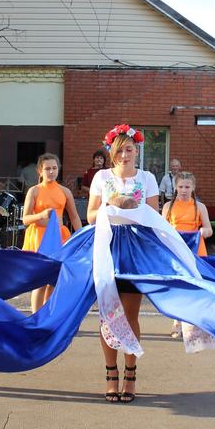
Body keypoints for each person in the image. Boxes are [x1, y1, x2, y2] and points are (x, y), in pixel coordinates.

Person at [88, 124, 158, 403]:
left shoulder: (148, 178)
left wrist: (132, 207)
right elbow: (92, 215)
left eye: (129, 149)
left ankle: (130, 372)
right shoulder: (101, 177)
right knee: (107, 314)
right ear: (111, 153)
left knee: (129, 315)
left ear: (136, 150)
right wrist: (110, 205)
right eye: (119, 151)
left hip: (135, 248)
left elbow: (153, 215)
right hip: (107, 246)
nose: (124, 155)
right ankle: (110, 374)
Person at [22, 153, 82, 313]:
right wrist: (41, 215)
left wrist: (82, 237)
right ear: (40, 171)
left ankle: (47, 315)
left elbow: (74, 217)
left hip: (60, 238)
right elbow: (25, 219)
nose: (51, 172)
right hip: (39, 238)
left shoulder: (65, 191)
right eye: (47, 168)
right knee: (40, 280)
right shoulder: (34, 191)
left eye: (54, 168)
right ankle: (36, 316)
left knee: (54, 280)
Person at [161, 171, 213, 338]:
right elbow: (161, 230)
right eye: (181, 186)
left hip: (196, 251)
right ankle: (177, 321)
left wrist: (203, 231)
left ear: (193, 187)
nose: (184, 190)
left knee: (196, 288)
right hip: (176, 251)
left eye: (187, 186)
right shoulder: (168, 207)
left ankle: (193, 322)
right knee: (177, 287)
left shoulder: (200, 207)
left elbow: (209, 229)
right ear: (175, 188)